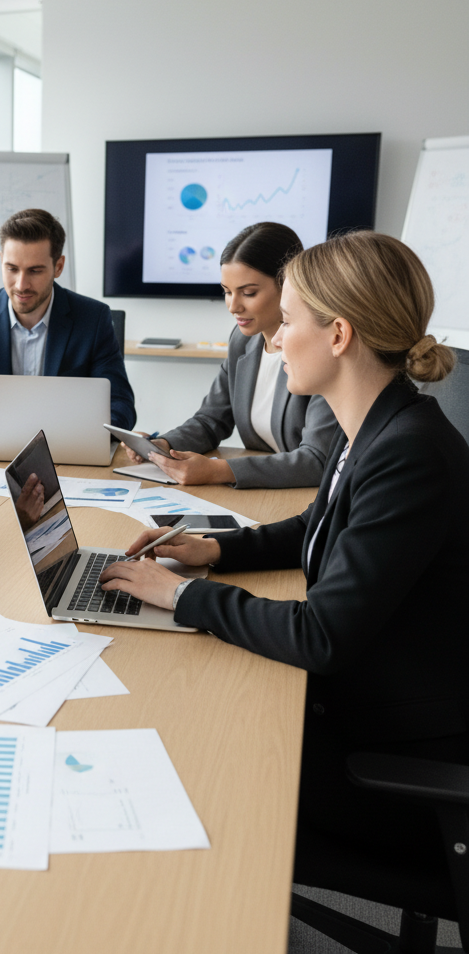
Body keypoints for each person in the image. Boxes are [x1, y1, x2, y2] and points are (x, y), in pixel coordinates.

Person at [99, 231, 469, 863]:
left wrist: (182, 596)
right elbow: (314, 526)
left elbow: (320, 634)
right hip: (366, 707)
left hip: (391, 761)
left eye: (287, 319)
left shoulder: (408, 451)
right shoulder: (379, 425)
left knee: (193, 756)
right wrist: (214, 552)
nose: (271, 338)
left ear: (339, 335)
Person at [124, 222, 337, 488]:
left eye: (249, 293)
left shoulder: (321, 349)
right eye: (226, 292)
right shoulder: (243, 341)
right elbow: (211, 420)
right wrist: (163, 446)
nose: (233, 306)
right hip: (263, 491)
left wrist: (219, 471)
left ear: (288, 285)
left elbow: (317, 460)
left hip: (305, 496)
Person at [0, 208, 135, 437]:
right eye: (12, 269)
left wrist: (80, 433)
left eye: (34, 271)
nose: (21, 284)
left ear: (58, 266)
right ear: (1, 260)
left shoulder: (93, 319)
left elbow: (121, 405)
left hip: (66, 451)